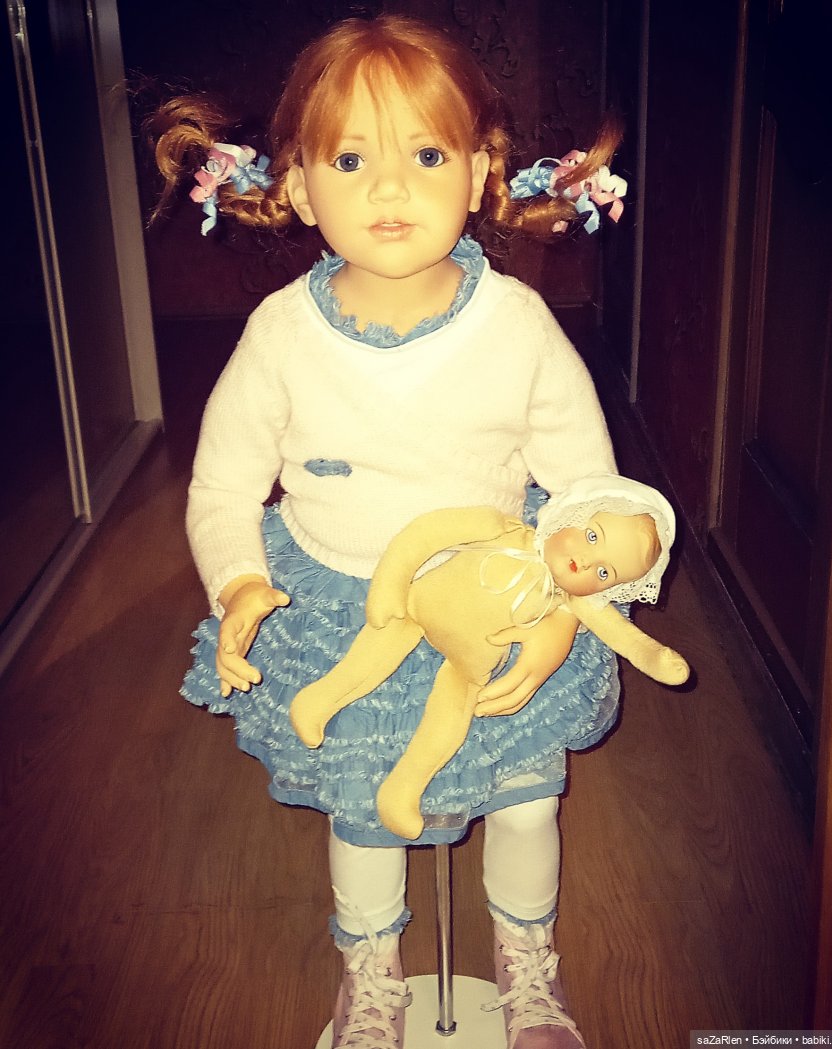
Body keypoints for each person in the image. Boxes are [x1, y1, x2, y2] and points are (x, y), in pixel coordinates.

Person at [149, 14, 629, 1049]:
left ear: (479, 172)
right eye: (351, 161)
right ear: (297, 186)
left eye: (426, 155)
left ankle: (527, 966)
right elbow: (222, 484)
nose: (390, 189)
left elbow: (588, 485)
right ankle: (369, 975)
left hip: (498, 603)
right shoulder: (280, 336)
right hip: (339, 605)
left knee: (525, 799)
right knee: (364, 811)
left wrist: (579, 593)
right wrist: (238, 581)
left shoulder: (517, 326)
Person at [290, 474, 687, 841]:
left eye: (604, 573)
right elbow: (425, 533)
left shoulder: (570, 603)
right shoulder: (501, 526)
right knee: (371, 651)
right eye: (592, 536)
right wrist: (389, 584)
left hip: (469, 663)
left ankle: (403, 790)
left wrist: (657, 659)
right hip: (414, 607)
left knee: (451, 716)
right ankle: (317, 701)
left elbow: (625, 637)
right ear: (570, 513)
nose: (586, 561)